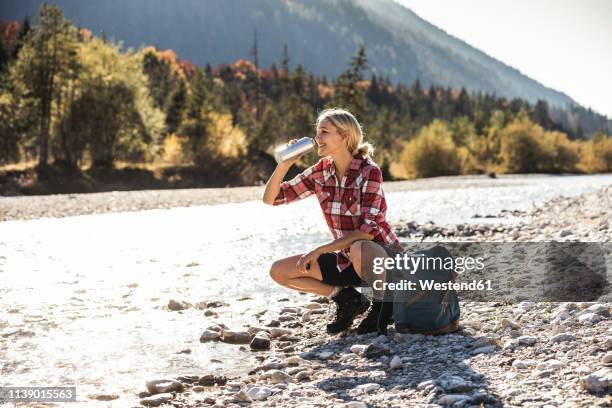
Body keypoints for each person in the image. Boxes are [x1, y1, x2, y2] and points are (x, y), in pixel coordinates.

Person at [262, 107, 404, 335]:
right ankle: (347, 299)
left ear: (344, 136)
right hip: (347, 259)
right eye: (317, 132)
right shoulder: (321, 171)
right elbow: (272, 198)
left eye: (324, 132)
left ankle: (384, 305)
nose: (317, 138)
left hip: (382, 260)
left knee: (359, 247)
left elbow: (366, 233)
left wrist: (320, 250)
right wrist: (284, 165)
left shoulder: (370, 172)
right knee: (279, 271)